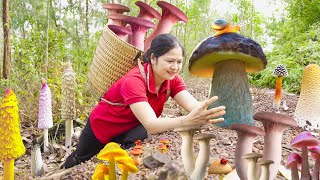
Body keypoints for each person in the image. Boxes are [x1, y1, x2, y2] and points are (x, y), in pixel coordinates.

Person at [64, 34, 226, 168]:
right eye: (170, 61)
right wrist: (187, 120)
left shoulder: (173, 80)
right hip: (101, 128)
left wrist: (209, 112)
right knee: (81, 160)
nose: (175, 67)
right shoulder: (134, 81)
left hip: (131, 128)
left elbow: (193, 106)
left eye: (179, 62)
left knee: (126, 151)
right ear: (153, 58)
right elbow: (152, 124)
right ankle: (64, 169)